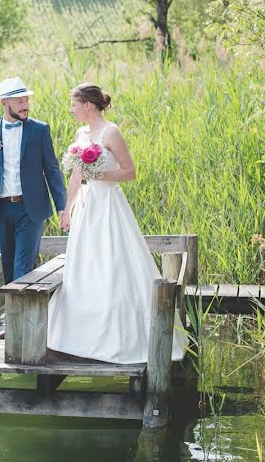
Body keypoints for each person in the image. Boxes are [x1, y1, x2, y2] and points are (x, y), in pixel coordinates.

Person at [47, 82, 187, 363]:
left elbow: (130, 172)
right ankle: (80, 338)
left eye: (74, 104)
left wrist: (99, 177)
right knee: (85, 266)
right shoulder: (80, 133)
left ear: (88, 105)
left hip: (109, 206)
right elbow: (76, 176)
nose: (71, 109)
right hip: (87, 209)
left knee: (112, 264)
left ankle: (123, 338)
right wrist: (67, 209)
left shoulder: (111, 132)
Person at [0, 77, 67, 341]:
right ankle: (17, 324)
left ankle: (20, 328)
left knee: (23, 268)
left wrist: (62, 207)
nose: (25, 104)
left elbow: (51, 169)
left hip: (31, 209)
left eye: (27, 99)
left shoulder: (39, 130)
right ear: (5, 103)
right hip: (2, 210)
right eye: (20, 100)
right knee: (8, 267)